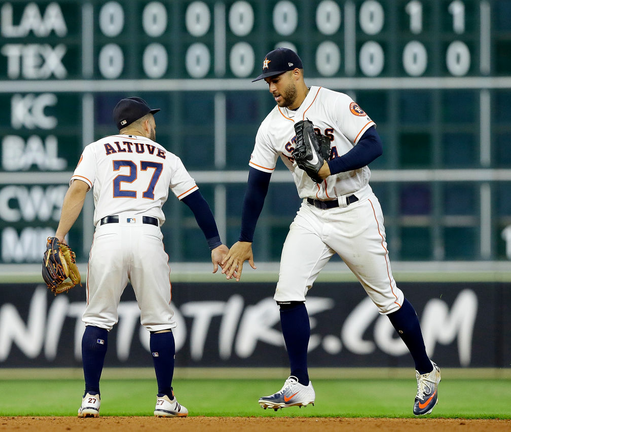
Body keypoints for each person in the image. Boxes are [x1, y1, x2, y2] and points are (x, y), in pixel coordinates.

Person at [220, 48, 442, 416]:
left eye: (275, 79)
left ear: (296, 74)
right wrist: (244, 238)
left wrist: (331, 167)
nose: (271, 87)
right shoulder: (270, 126)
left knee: (387, 299)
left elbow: (374, 144)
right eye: (267, 82)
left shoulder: (335, 103)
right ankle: (299, 383)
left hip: (355, 209)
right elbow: (256, 184)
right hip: (311, 214)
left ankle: (426, 371)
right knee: (288, 292)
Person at [51, 96, 229, 418]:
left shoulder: (97, 149)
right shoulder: (166, 156)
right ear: (146, 124)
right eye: (153, 123)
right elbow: (196, 201)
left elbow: (78, 190)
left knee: (98, 318)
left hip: (108, 235)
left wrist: (59, 237)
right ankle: (165, 399)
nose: (155, 127)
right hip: (148, 235)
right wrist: (215, 243)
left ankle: (91, 397)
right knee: (159, 321)